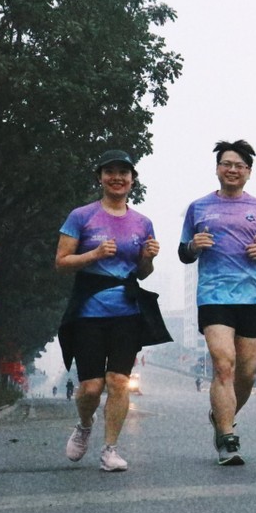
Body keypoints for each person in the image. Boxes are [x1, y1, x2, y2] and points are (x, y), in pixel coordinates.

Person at [56, 149, 171, 472]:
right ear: (100, 177)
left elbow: (143, 272)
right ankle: (84, 425)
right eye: (110, 172)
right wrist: (93, 254)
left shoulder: (142, 222)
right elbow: (61, 262)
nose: (117, 178)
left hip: (127, 312)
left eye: (124, 172)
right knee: (91, 387)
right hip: (88, 312)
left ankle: (110, 450)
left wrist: (148, 257)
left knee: (119, 381)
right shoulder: (81, 216)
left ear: (132, 180)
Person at [178, 140, 256, 466]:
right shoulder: (198, 208)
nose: (232, 169)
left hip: (252, 297)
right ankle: (227, 437)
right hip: (214, 296)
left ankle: (221, 415)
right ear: (217, 168)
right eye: (227, 163)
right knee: (224, 363)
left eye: (239, 165)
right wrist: (194, 246)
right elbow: (183, 253)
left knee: (248, 373)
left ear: (248, 172)